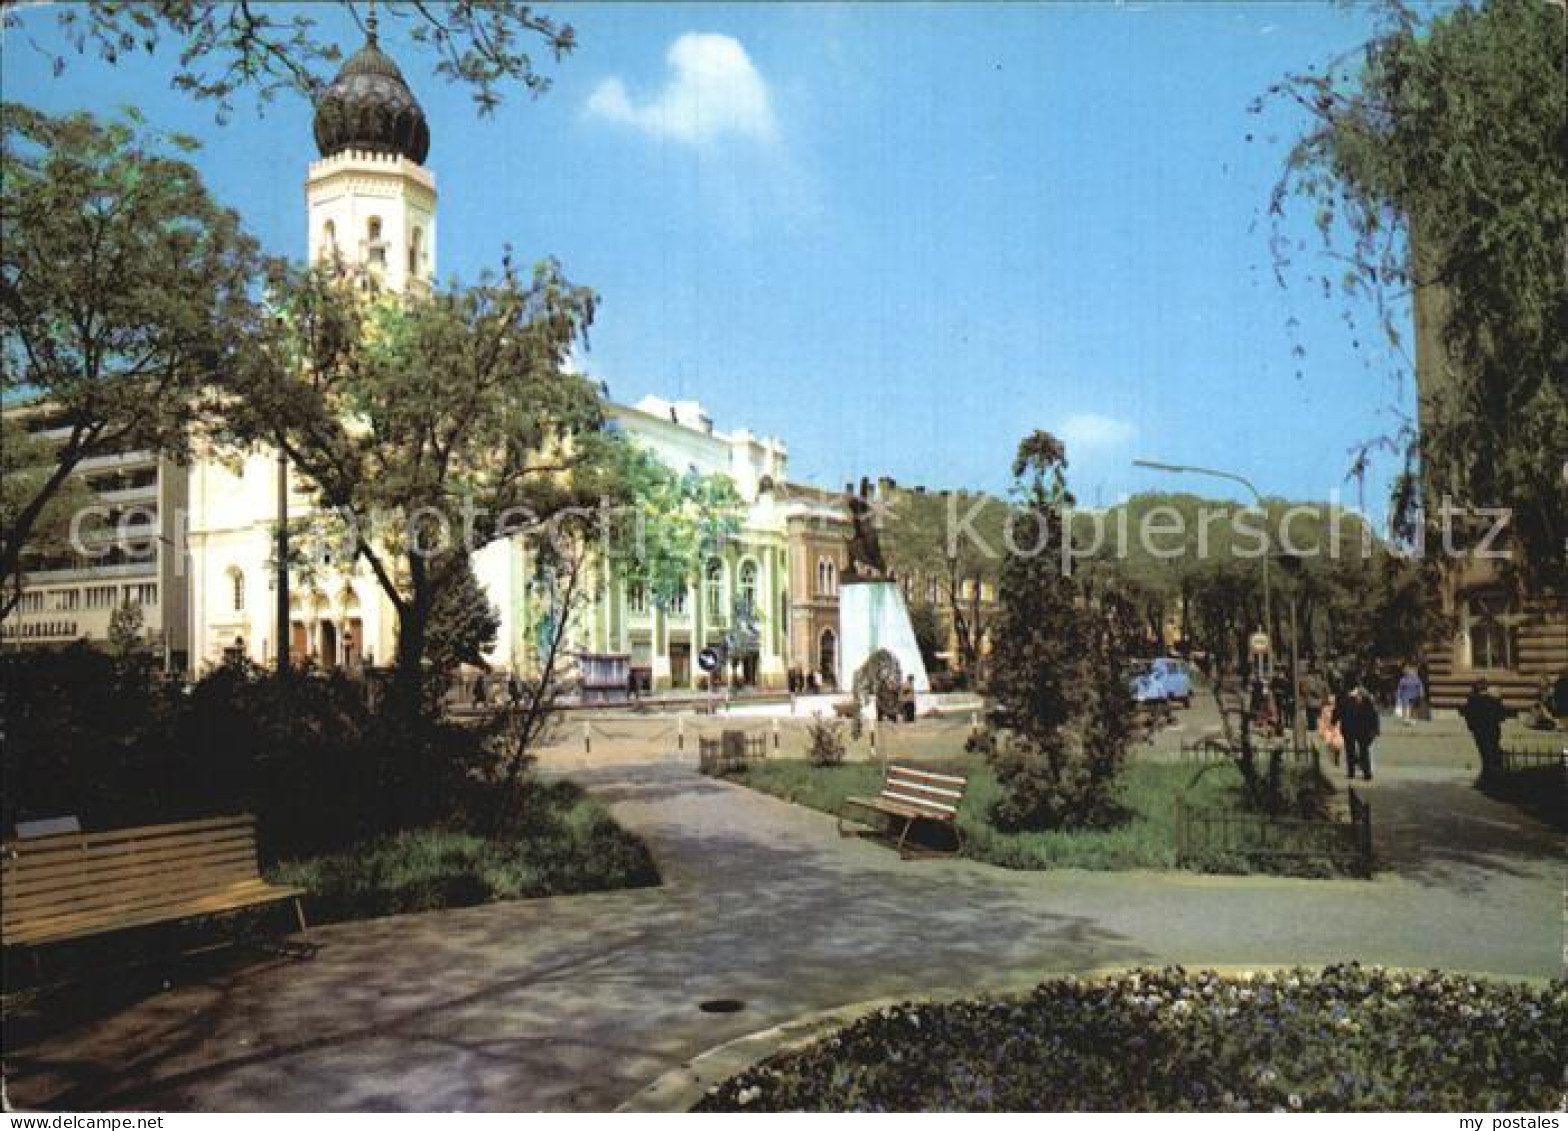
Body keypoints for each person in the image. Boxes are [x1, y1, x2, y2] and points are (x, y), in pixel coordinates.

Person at [1459, 678, 1509, 773]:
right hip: (1492, 732)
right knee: (1493, 753)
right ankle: (1493, 774)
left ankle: (1487, 773)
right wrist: (1499, 700)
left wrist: (1472, 728)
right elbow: (1502, 716)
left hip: (1478, 733)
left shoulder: (1471, 701)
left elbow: (1467, 715)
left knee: (1485, 754)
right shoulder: (1492, 700)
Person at [1340, 684, 1379, 781]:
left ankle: (1367, 772)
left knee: (1364, 752)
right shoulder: (1349, 702)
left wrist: (1375, 730)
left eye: (1359, 695)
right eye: (1356, 695)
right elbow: (1343, 714)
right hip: (1350, 730)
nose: (1357, 697)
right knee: (1350, 751)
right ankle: (1351, 771)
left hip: (1363, 731)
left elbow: (1374, 717)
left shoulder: (1368, 705)